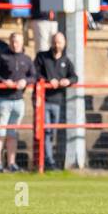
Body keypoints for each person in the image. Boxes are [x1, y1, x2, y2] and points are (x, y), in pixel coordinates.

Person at [0, 31, 35, 173]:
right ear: (10, 42)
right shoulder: (1, 57)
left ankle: (11, 163)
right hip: (2, 100)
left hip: (18, 100)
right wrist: (3, 81)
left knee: (12, 133)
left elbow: (34, 76)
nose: (15, 44)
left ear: (22, 43)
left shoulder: (26, 59)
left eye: (18, 42)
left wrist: (25, 81)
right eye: (13, 41)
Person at [35, 31, 78, 169]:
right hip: (44, 101)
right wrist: (48, 81)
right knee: (46, 131)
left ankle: (48, 159)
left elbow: (74, 77)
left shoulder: (66, 60)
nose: (57, 45)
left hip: (58, 101)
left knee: (52, 132)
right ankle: (48, 161)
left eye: (59, 42)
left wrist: (67, 81)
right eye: (55, 42)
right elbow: (35, 74)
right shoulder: (42, 57)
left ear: (64, 44)